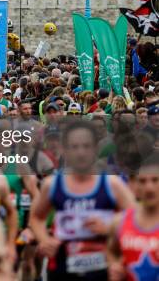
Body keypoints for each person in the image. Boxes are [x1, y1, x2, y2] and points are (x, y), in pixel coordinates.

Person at [30, 120, 136, 281]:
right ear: (65, 150)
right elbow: (37, 217)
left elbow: (137, 219)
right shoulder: (52, 184)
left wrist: (110, 227)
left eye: (86, 146)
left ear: (95, 149)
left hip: (103, 268)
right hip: (63, 266)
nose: (81, 152)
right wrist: (44, 240)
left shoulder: (111, 184)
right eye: (74, 147)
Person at [106, 154, 159, 281]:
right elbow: (110, 250)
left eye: (155, 180)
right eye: (142, 181)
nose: (149, 188)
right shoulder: (119, 221)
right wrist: (114, 266)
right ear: (133, 185)